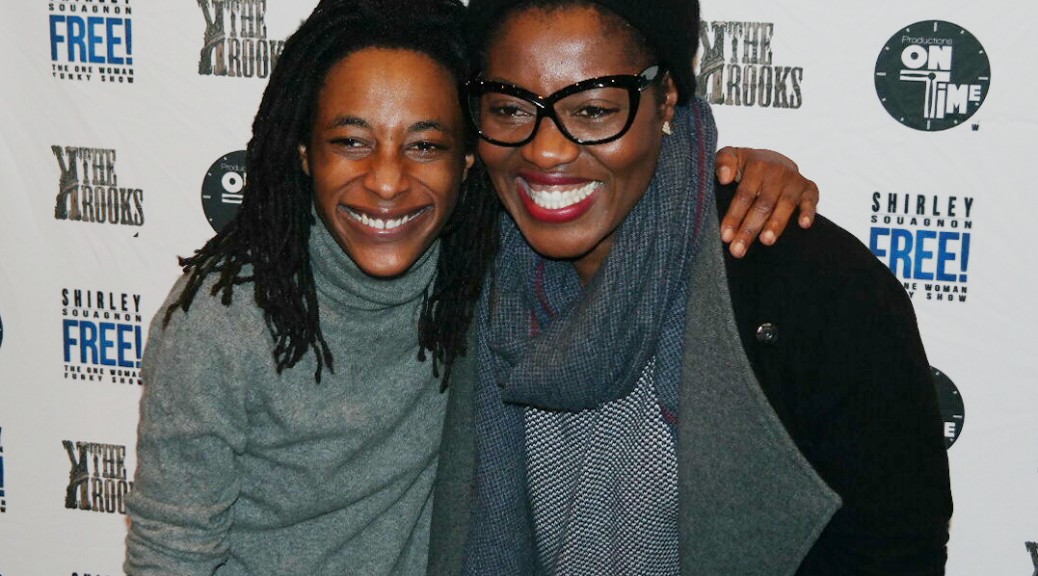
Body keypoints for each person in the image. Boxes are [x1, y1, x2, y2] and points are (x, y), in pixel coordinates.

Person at [124, 0, 821, 574]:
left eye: (425, 145)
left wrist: (738, 170)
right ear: (303, 150)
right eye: (352, 141)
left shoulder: (478, 265)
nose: (387, 182)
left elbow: (622, 181)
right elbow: (170, 554)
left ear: (467, 159)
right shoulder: (222, 321)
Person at [429, 0, 953, 575]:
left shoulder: (817, 290)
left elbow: (895, 548)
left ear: (667, 98)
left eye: (595, 110)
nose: (545, 149)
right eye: (509, 108)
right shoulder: (461, 269)